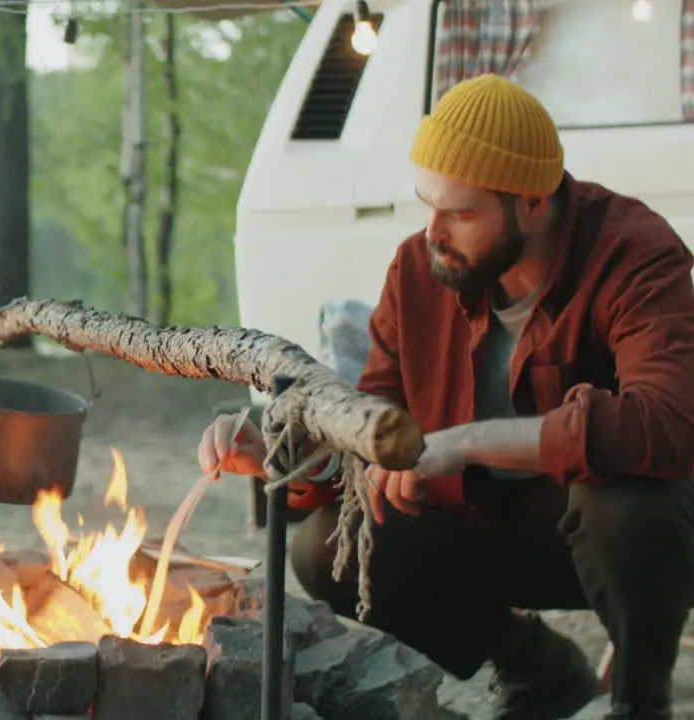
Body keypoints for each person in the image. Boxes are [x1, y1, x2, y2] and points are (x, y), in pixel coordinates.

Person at [199, 74, 694, 720]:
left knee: (622, 500)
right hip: (478, 524)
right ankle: (537, 668)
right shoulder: (419, 271)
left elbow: (665, 426)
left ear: (534, 203)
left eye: (460, 214)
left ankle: (639, 700)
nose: (433, 232)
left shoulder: (633, 251)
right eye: (426, 204)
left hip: (613, 540)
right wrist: (286, 459)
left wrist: (465, 443)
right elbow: (371, 429)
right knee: (326, 547)